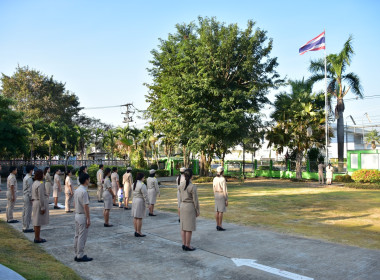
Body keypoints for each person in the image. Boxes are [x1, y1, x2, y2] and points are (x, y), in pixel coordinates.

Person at [179, 169, 200, 251]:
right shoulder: (192, 186)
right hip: (189, 207)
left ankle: (184, 244)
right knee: (189, 228)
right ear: (191, 176)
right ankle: (188, 245)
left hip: (183, 205)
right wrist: (197, 209)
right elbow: (195, 200)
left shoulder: (181, 185)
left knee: (183, 227)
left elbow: (180, 198)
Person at [74, 172, 92, 262]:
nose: (89, 181)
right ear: (86, 180)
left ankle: (77, 253)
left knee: (77, 235)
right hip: (82, 215)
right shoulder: (84, 192)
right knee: (82, 236)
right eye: (88, 179)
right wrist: (88, 218)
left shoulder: (77, 190)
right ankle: (80, 255)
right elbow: (86, 206)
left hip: (77, 214)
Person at [32, 169, 49, 243]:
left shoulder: (35, 182)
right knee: (38, 222)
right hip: (39, 203)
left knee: (36, 221)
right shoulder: (40, 184)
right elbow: (41, 196)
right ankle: (37, 238)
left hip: (35, 202)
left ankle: (37, 237)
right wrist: (42, 207)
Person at [131, 172, 149, 237]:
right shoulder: (142, 185)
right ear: (141, 178)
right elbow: (145, 195)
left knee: (135, 217)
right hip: (139, 201)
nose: (144, 179)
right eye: (143, 177)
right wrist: (148, 203)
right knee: (139, 217)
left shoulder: (134, 184)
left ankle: (136, 231)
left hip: (134, 200)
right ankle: (139, 232)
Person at [213, 166, 228, 231]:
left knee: (217, 210)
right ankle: (220, 225)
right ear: (222, 172)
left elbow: (213, 187)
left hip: (216, 194)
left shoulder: (215, 178)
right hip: (221, 194)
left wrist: (215, 194)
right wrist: (226, 199)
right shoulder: (222, 179)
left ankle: (217, 224)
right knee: (221, 211)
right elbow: (224, 189)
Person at [22, 165, 35, 232]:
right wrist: (31, 198)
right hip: (28, 196)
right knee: (27, 212)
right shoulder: (29, 178)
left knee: (25, 211)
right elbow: (30, 189)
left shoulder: (25, 177)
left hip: (25, 195)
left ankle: (24, 225)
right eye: (33, 170)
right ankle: (26, 227)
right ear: (30, 170)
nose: (33, 171)